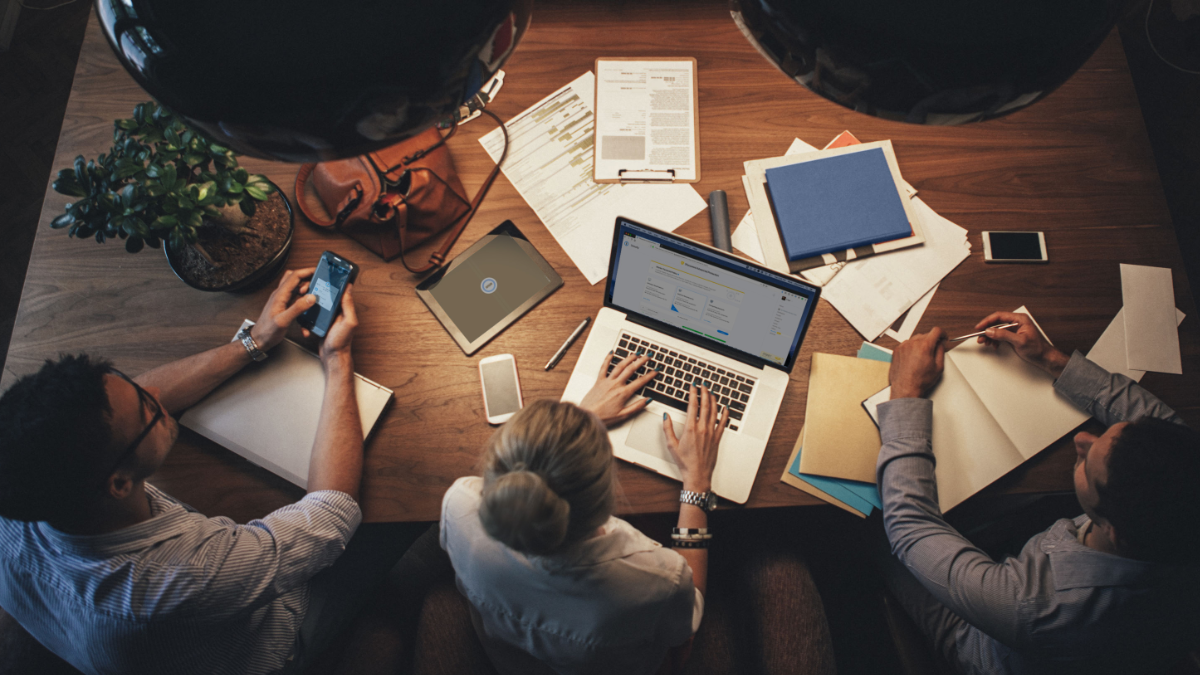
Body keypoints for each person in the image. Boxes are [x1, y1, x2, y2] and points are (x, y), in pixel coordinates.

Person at [0, 269, 417, 675]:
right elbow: (332, 514)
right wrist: (338, 358)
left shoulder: (22, 473)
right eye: (149, 411)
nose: (157, 394)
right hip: (270, 643)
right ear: (119, 483)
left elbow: (113, 419)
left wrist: (254, 342)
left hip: (93, 638)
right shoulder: (182, 575)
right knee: (408, 508)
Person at [439, 352, 835, 675]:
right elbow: (691, 615)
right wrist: (696, 484)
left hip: (513, 657)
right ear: (606, 503)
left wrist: (578, 423)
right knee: (779, 560)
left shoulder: (459, 506)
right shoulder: (651, 578)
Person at [876, 310, 1200, 675]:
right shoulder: (1187, 477)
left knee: (874, 530)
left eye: (1088, 466)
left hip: (987, 642)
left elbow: (910, 526)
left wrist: (905, 392)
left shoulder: (1035, 606)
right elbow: (1158, 422)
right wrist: (1050, 359)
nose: (1082, 439)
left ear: (1113, 530)